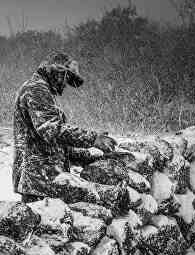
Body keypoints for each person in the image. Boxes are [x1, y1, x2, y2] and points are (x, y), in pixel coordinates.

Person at [13, 51, 117, 203]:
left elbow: (54, 143)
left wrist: (89, 155)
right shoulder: (36, 89)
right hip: (39, 180)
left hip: (44, 178)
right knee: (99, 197)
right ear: (58, 72)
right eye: (66, 77)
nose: (66, 84)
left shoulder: (43, 90)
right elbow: (52, 130)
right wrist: (93, 138)